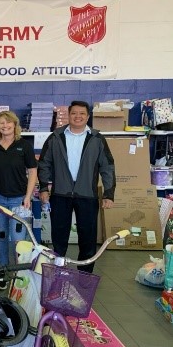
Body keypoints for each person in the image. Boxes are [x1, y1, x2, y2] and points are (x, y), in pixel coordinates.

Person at [38, 100, 115, 273]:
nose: (78, 116)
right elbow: (44, 164)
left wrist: (109, 194)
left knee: (88, 241)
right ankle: (57, 275)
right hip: (60, 195)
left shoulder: (97, 139)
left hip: (87, 196)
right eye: (74, 113)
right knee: (58, 240)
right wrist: (43, 188)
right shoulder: (56, 137)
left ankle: (84, 279)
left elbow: (107, 167)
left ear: (88, 116)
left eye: (82, 113)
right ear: (69, 115)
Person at [0, 111, 37, 289]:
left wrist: (28, 196)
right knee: (1, 235)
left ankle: (19, 274)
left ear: (15, 125)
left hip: (19, 201)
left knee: (18, 240)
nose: (5, 126)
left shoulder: (24, 146)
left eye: (8, 123)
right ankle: (4, 272)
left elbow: (33, 171)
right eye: (1, 124)